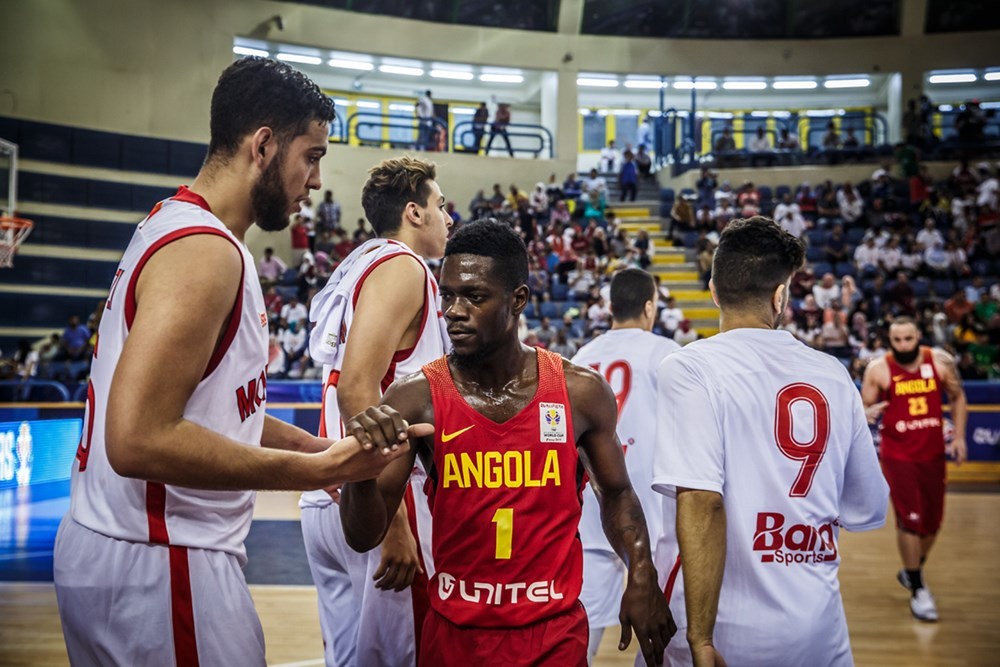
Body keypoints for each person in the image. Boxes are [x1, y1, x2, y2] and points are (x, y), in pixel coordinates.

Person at [51, 56, 412, 667]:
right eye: (312, 156)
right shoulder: (205, 253)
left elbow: (213, 408)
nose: (316, 181)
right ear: (263, 146)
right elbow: (137, 439)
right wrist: (309, 473)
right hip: (160, 560)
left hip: (130, 553)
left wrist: (315, 450)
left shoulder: (176, 224)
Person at [340, 220, 675, 666]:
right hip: (455, 638)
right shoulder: (414, 398)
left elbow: (616, 493)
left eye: (474, 297)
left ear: (518, 299)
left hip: (553, 636)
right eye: (447, 296)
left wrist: (642, 571)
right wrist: (361, 471)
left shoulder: (579, 392)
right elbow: (361, 536)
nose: (454, 311)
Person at [651, 216, 889, 666]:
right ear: (781, 296)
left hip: (721, 625)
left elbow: (701, 500)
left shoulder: (690, 366)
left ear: (714, 291)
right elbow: (868, 506)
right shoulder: (833, 374)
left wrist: (700, 637)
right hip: (816, 626)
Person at [300, 155, 453, 667]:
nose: (448, 218)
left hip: (330, 491)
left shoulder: (356, 264)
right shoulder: (403, 267)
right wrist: (392, 522)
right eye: (440, 205)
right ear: (414, 212)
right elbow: (358, 388)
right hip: (378, 495)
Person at [571, 269, 680, 663]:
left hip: (594, 503)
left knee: (579, 632)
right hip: (650, 509)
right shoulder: (669, 354)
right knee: (664, 631)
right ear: (649, 307)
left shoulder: (580, 358)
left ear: (611, 307)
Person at [861, 317, 968, 622]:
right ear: (890, 340)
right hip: (898, 456)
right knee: (909, 521)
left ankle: (912, 569)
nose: (904, 345)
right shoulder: (878, 369)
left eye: (908, 339)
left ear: (918, 335)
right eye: (897, 340)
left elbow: (958, 396)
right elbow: (863, 406)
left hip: (932, 454)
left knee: (932, 524)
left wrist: (959, 437)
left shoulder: (940, 362)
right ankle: (919, 589)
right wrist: (867, 412)